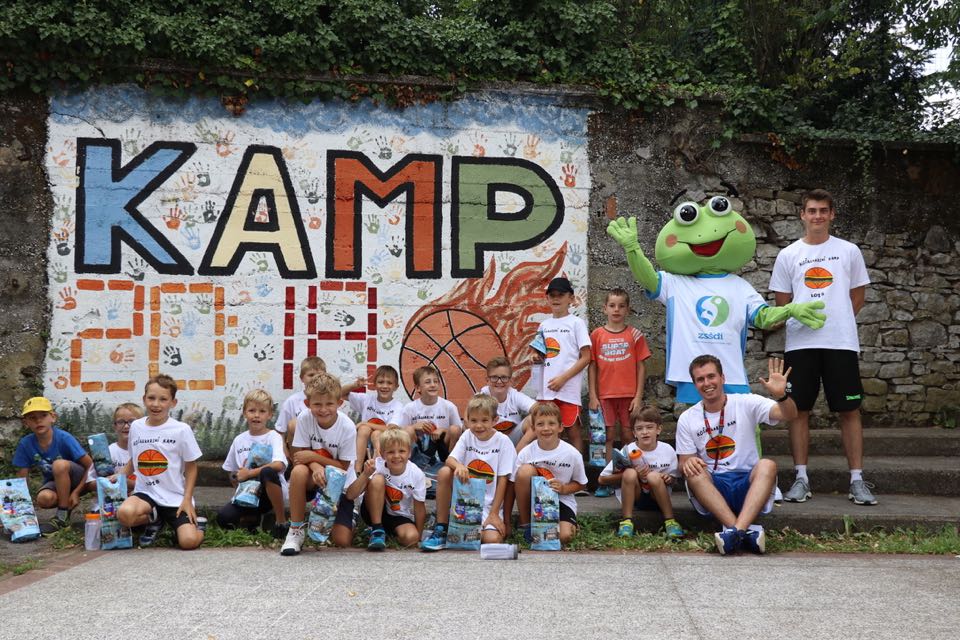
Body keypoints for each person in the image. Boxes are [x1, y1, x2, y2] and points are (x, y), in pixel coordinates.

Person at [770, 189, 876, 506]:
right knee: (798, 410)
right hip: (800, 344)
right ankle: (801, 479)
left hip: (840, 343)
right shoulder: (788, 255)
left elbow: (857, 297)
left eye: (823, 210)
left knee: (849, 410)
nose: (817, 216)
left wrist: (837, 321)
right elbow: (782, 304)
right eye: (812, 210)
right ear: (802, 215)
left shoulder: (849, 251)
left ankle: (857, 480)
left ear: (832, 215)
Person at [676, 355, 795, 555]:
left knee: (767, 465)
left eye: (711, 376)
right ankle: (743, 532)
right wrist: (689, 463)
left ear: (722, 377)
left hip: (748, 483)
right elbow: (683, 463)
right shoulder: (687, 418)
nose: (707, 383)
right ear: (695, 384)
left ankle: (734, 532)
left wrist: (781, 396)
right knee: (694, 472)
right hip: (714, 487)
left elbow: (789, 415)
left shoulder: (746, 402)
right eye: (700, 379)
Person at [116, 375, 204, 550]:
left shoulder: (181, 430)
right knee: (124, 514)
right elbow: (134, 460)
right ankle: (154, 519)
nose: (156, 404)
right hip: (146, 493)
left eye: (163, 399)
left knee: (188, 542)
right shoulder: (136, 427)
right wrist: (118, 477)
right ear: (144, 399)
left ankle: (200, 526)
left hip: (175, 497)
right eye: (151, 398)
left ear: (173, 402)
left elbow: (191, 467)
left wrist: (187, 499)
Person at [421, 394, 516, 551]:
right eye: (474, 420)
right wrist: (459, 465)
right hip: (465, 502)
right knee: (445, 472)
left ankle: (461, 531)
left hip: (488, 505)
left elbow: (503, 481)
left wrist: (494, 514)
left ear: (495, 420)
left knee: (492, 540)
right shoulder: (467, 436)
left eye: (484, 420)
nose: (478, 425)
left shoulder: (503, 442)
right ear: (467, 421)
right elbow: (450, 460)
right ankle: (442, 527)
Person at [281, 373, 357, 555]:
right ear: (308, 404)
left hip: (340, 482)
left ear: (340, 403)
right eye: (317, 404)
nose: (323, 410)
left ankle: (351, 515)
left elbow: (343, 467)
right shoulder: (304, 418)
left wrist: (315, 459)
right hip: (315, 477)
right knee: (298, 471)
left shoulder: (347, 427)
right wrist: (316, 466)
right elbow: (300, 457)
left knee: (342, 540)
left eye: (329, 404)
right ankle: (296, 530)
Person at [517, 277, 591, 464]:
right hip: (546, 389)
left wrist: (563, 378)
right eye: (552, 295)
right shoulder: (544, 325)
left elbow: (586, 357)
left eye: (561, 295)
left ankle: (577, 474)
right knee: (542, 430)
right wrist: (535, 356)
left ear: (571, 298)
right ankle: (540, 468)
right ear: (547, 298)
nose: (556, 298)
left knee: (573, 430)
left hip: (568, 389)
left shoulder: (576, 323)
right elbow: (539, 351)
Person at [588, 287, 651, 496]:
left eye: (621, 306)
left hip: (629, 395)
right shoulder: (596, 335)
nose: (616, 310)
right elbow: (592, 366)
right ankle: (606, 480)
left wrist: (638, 396)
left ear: (628, 310)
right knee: (605, 436)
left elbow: (641, 367)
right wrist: (593, 396)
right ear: (604, 308)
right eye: (612, 305)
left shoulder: (635, 335)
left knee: (627, 435)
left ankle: (630, 478)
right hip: (604, 396)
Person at [597, 406, 683, 539]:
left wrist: (668, 478)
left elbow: (674, 479)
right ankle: (626, 522)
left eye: (649, 427)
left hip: (658, 496)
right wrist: (634, 473)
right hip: (634, 497)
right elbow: (602, 479)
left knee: (653, 476)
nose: (645, 432)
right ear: (634, 432)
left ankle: (670, 521)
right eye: (639, 428)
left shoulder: (667, 450)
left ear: (658, 429)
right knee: (629, 473)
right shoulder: (628, 450)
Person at [512, 401, 587, 546]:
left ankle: (570, 526)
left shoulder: (572, 454)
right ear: (533, 428)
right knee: (524, 471)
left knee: (564, 537)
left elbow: (581, 484)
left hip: (562, 500)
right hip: (535, 502)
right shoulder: (527, 452)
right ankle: (526, 524)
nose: (546, 428)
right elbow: (513, 482)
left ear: (560, 427)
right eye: (540, 424)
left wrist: (564, 488)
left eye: (551, 423)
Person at [14, 397, 94, 533]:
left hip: (81, 479)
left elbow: (90, 465)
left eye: (43, 415)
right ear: (26, 422)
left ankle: (62, 515)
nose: (38, 421)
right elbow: (21, 479)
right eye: (32, 418)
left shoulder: (64, 438)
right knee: (44, 499)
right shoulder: (25, 444)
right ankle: (65, 503)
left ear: (53, 417)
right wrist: (19, 513)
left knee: (59, 465)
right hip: (57, 483)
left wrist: (76, 492)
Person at [217, 390, 289, 539]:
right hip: (248, 493)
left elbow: (279, 465)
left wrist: (249, 473)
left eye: (262, 411)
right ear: (244, 413)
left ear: (270, 414)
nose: (257, 415)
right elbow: (231, 470)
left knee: (267, 472)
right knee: (224, 518)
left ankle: (281, 522)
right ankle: (252, 518)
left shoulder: (273, 437)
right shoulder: (239, 440)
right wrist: (236, 478)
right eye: (252, 411)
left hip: (269, 494)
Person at [345, 427, 426, 550]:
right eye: (391, 452)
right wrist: (365, 474)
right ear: (382, 454)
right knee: (377, 479)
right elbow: (350, 495)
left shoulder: (417, 474)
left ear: (409, 453)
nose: (396, 456)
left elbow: (419, 507)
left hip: (399, 515)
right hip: (373, 511)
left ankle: (386, 534)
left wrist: (419, 536)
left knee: (411, 538)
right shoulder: (376, 465)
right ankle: (377, 529)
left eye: (402, 451)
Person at [390, 365, 463, 469]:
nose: (433, 385)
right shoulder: (410, 408)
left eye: (435, 381)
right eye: (428, 382)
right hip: (419, 450)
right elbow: (398, 434)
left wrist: (443, 430)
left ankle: (451, 463)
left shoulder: (449, 406)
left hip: (443, 449)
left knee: (455, 429)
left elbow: (460, 432)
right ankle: (413, 464)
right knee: (408, 430)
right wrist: (414, 427)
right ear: (418, 388)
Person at [343, 365, 405, 473]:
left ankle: (380, 469)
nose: (384, 386)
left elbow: (391, 428)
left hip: (384, 444)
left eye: (389, 383)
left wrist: (366, 423)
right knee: (364, 429)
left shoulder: (398, 406)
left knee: (376, 433)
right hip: (363, 443)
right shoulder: (366, 399)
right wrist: (354, 385)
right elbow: (339, 394)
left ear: (396, 387)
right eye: (381, 382)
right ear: (375, 384)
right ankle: (357, 471)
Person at [274, 356, 326, 461]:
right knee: (295, 423)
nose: (315, 378)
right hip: (299, 451)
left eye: (319, 375)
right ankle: (298, 465)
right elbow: (280, 431)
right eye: (311, 375)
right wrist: (283, 450)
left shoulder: (329, 400)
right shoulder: (292, 401)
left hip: (323, 449)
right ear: (302, 378)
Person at [84, 402, 141, 495]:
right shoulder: (107, 452)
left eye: (132, 422)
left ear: (141, 425)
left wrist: (130, 483)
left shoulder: (146, 451)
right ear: (114, 426)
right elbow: (89, 483)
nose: (126, 426)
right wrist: (107, 482)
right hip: (111, 500)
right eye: (121, 422)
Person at [479, 356, 534, 446]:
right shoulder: (481, 397)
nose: (499, 382)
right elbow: (467, 420)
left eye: (504, 377)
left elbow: (537, 408)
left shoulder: (514, 395)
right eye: (494, 377)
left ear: (510, 381)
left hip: (513, 441)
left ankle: (516, 454)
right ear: (487, 380)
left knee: (534, 419)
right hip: (489, 442)